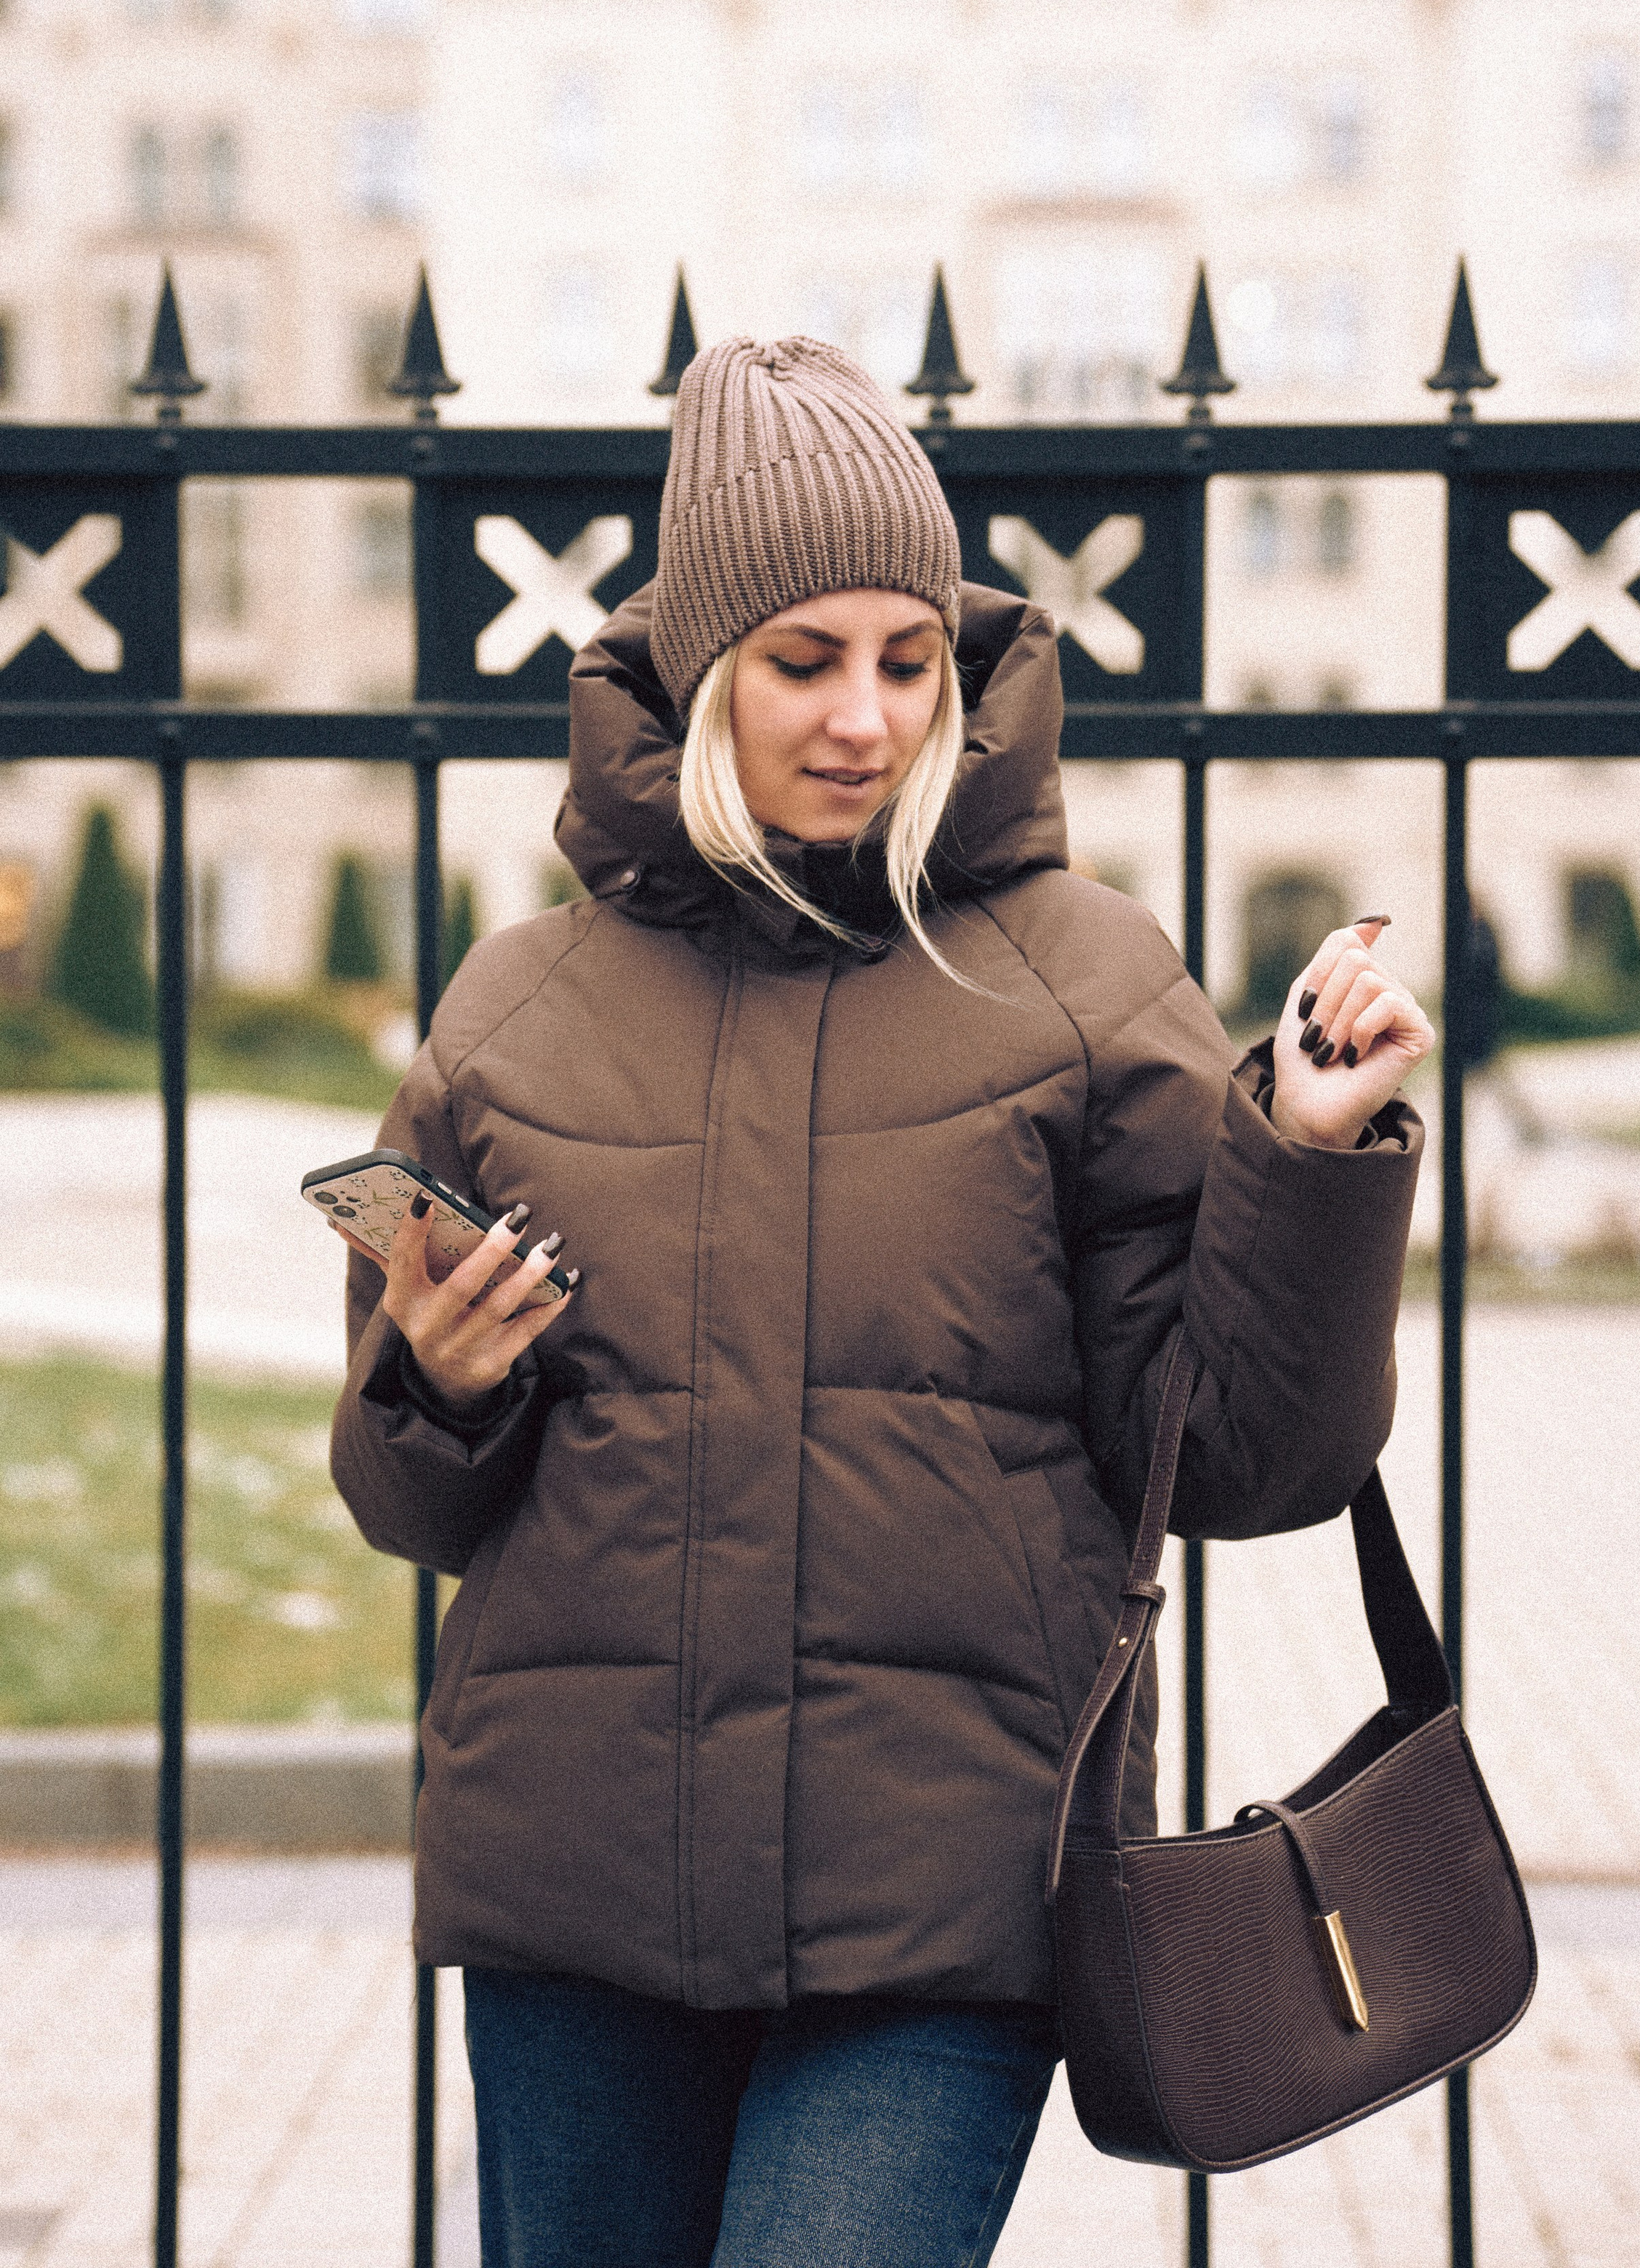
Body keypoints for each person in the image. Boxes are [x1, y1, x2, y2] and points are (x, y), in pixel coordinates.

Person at [329, 336, 1432, 2268]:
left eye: (908, 659)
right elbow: (408, 1509)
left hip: (948, 1903)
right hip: (576, 1899)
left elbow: (1248, 1458)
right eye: (803, 660)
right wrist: (436, 1384)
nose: (863, 717)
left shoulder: (1084, 983)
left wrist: (1315, 1164)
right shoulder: (517, 1009)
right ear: (695, 672)